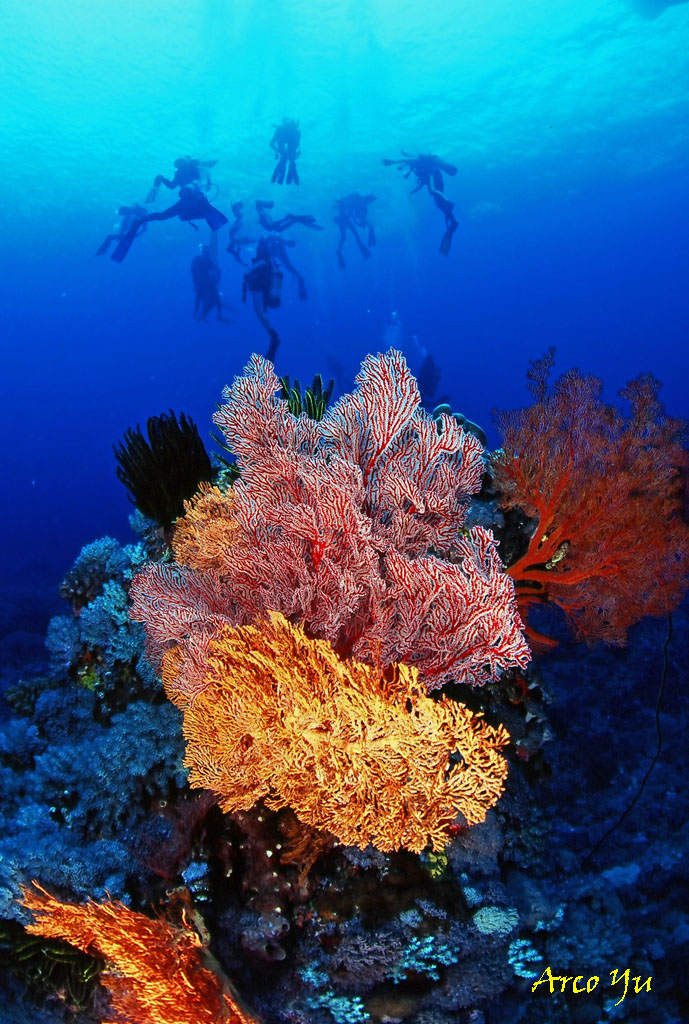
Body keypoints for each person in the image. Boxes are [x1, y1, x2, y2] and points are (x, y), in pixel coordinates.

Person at [111, 186, 229, 262]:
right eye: (182, 195)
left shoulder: (197, 199)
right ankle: (141, 220)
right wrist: (143, 220)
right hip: (191, 210)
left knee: (162, 216)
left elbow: (205, 210)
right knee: (162, 216)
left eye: (185, 194)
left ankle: (141, 220)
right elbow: (162, 216)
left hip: (194, 210)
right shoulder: (183, 203)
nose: (183, 196)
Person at [383, 152, 459, 255]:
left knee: (433, 192)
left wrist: (392, 162)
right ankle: (453, 220)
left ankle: (447, 201)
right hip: (436, 178)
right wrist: (415, 190)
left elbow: (405, 160)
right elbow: (423, 181)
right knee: (439, 203)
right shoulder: (417, 165)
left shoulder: (415, 158)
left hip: (433, 175)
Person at [242, 237, 282, 361]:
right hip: (265, 287)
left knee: (260, 312)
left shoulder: (261, 260)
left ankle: (273, 335)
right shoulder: (269, 260)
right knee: (262, 312)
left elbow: (247, 273)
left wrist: (244, 292)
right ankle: (272, 337)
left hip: (259, 288)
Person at [191, 239, 231, 323]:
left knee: (209, 298)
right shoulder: (206, 260)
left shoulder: (197, 260)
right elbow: (217, 270)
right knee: (216, 299)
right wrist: (216, 279)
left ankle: (200, 313)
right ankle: (217, 316)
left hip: (202, 284)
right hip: (207, 283)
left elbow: (194, 272)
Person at [147, 156, 217, 203]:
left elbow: (172, 186)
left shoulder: (181, 172)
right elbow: (172, 186)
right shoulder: (182, 171)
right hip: (191, 190)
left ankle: (157, 185)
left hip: (190, 190)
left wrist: (162, 179)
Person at [334, 193, 376, 268]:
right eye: (369, 201)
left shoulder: (363, 207)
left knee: (352, 236)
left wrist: (365, 224)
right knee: (344, 237)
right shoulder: (357, 199)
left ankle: (340, 251)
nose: (368, 203)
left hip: (346, 220)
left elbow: (359, 218)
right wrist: (360, 222)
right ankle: (339, 251)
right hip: (342, 220)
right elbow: (353, 214)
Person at [256, 198, 322, 233]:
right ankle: (302, 219)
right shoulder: (260, 212)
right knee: (278, 228)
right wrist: (285, 219)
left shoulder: (261, 212)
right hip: (274, 227)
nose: (271, 206)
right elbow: (270, 227)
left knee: (293, 221)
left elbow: (271, 226)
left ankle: (301, 219)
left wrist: (285, 219)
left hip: (274, 227)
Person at [269, 118, 301, 185]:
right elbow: (296, 145)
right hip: (291, 146)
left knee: (284, 159)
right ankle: (292, 177)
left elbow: (271, 144)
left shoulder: (280, 130)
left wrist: (277, 151)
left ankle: (279, 179)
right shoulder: (295, 131)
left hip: (286, 144)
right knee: (291, 161)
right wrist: (294, 156)